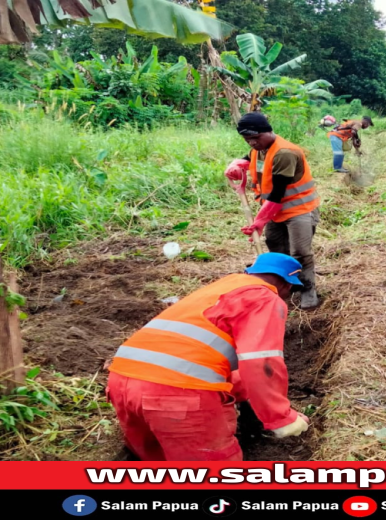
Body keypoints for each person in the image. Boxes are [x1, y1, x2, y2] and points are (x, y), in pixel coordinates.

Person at [106, 253, 311, 461]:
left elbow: (203, 358)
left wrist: (244, 397)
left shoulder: (220, 288)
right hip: (177, 393)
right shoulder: (264, 297)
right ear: (286, 284)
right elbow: (260, 361)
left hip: (121, 382)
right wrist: (281, 417)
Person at [225, 112, 321, 309]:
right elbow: (251, 160)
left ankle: (308, 289)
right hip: (274, 211)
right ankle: (287, 284)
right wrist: (237, 164)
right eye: (247, 139)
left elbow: (277, 194)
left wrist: (259, 222)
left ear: (268, 131)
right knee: (276, 247)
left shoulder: (285, 153)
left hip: (298, 210)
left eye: (255, 137)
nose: (252, 143)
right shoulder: (259, 149)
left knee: (300, 252)